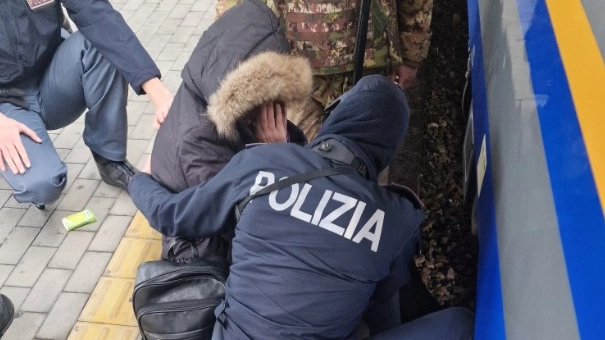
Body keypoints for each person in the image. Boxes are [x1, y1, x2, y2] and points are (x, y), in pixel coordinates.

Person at [129, 75, 474, 339]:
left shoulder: (262, 163)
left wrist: (137, 179)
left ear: (337, 115)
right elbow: (385, 303)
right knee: (460, 323)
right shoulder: (397, 216)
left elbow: (171, 215)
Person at [149, 0, 311, 262]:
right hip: (210, 254)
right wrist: (275, 156)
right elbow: (253, 224)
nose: (274, 109)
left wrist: (282, 145)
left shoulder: (215, 93)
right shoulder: (198, 141)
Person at [0, 0, 173, 208]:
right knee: (43, 186)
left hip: (53, 73)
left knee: (104, 42)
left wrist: (157, 92)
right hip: (6, 103)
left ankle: (109, 157)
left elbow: (96, 13)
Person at [216, 0, 433, 140]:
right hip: (295, 77)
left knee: (364, 174)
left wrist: (411, 52)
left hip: (367, 66)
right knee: (297, 170)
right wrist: (233, 57)